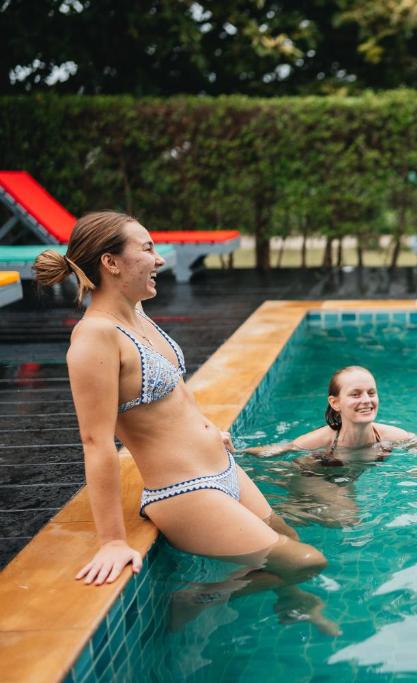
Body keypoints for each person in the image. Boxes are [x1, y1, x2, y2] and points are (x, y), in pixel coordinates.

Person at [34, 212, 333, 629]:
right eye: (147, 248)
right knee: (305, 561)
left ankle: (291, 602)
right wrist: (113, 541)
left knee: (292, 542)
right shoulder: (94, 337)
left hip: (222, 468)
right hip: (185, 491)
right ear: (111, 262)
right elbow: (95, 442)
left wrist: (210, 429)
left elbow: (174, 391)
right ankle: (200, 597)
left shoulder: (137, 315)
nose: (159, 259)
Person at [245, 366, 417, 527]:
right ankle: (281, 512)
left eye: (371, 393)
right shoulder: (323, 439)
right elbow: (279, 449)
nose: (366, 400)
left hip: (344, 478)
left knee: (336, 514)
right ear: (335, 403)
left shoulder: (390, 435)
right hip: (311, 475)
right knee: (349, 518)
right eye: (355, 395)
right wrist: (236, 451)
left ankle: (292, 510)